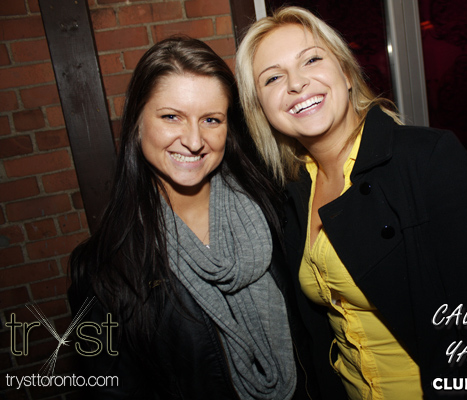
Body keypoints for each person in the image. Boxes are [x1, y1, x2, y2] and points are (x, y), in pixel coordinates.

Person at [236, 7, 467, 399]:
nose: (297, 83)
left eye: (312, 60)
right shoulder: (291, 192)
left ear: (346, 73)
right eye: (273, 78)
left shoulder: (429, 160)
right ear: (261, 109)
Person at [68, 37, 308, 399]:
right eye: (171, 117)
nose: (194, 141)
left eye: (211, 119)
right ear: (137, 122)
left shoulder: (275, 209)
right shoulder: (103, 272)